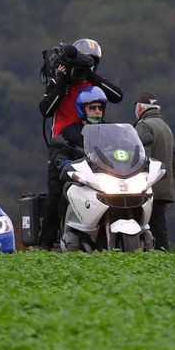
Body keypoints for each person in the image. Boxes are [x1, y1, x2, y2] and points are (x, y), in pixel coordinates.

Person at [35, 86, 108, 251]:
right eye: (92, 108)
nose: (97, 111)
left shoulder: (109, 131)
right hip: (80, 180)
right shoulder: (69, 132)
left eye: (99, 108)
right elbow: (58, 151)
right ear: (82, 110)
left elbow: (122, 148)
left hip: (104, 179)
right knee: (55, 199)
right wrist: (62, 161)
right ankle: (45, 244)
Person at [39, 38, 123, 136]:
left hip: (91, 142)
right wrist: (62, 82)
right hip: (63, 143)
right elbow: (46, 111)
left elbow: (117, 96)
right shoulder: (58, 82)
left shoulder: (93, 83)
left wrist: (89, 74)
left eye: (92, 62)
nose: (87, 65)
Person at [132, 90, 175, 251]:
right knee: (159, 225)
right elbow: (174, 160)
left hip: (148, 185)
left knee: (141, 224)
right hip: (163, 184)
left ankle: (147, 254)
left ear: (140, 108)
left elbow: (140, 157)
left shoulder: (144, 125)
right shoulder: (166, 127)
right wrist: (169, 186)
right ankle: (162, 254)